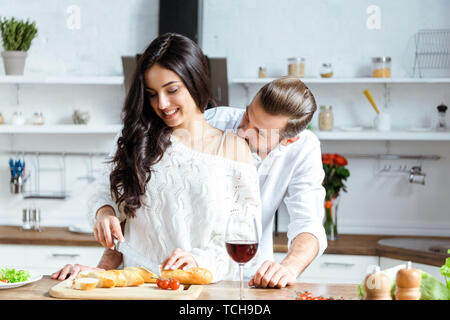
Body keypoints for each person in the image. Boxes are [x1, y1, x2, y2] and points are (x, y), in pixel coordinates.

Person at [51, 33, 262, 282]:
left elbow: (244, 234)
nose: (162, 104)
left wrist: (197, 261)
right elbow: (104, 194)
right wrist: (105, 214)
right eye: (152, 93)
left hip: (199, 293)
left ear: (195, 82)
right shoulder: (138, 141)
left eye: (172, 90)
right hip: (134, 289)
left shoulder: (233, 149)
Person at [203, 76, 327, 289]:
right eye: (247, 114)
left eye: (259, 132)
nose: (242, 130)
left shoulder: (304, 148)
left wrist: (289, 267)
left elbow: (308, 222)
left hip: (252, 278)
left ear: (289, 140)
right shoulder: (211, 123)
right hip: (197, 269)